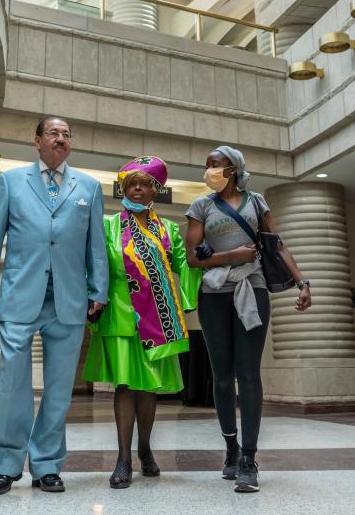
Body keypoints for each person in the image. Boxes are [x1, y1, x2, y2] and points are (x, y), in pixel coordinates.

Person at [0, 116, 109, 495]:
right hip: (20, 293)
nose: (61, 139)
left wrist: (99, 289)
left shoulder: (90, 187)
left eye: (66, 135)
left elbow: (95, 244)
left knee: (60, 388)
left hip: (69, 299)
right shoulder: (12, 181)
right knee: (12, 382)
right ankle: (5, 463)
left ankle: (47, 464)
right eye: (53, 133)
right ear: (37, 141)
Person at [184, 145, 312, 493]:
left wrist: (302, 282)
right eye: (207, 164)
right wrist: (231, 255)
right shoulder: (202, 206)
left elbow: (277, 245)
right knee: (222, 376)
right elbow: (194, 258)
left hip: (252, 290)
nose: (210, 169)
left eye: (217, 164)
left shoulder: (256, 202)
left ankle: (249, 459)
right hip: (214, 296)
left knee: (249, 373)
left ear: (234, 168)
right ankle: (230, 446)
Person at [83, 156, 201, 488]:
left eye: (145, 184)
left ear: (155, 191)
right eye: (132, 183)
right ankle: (123, 458)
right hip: (120, 314)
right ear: (123, 188)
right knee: (124, 386)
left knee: (148, 387)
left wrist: (207, 258)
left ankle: (145, 449)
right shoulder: (108, 225)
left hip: (157, 318)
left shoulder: (167, 229)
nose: (137, 188)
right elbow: (93, 262)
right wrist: (91, 298)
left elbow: (186, 263)